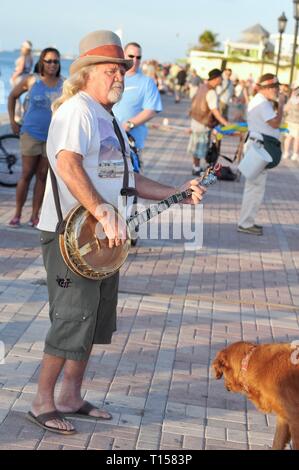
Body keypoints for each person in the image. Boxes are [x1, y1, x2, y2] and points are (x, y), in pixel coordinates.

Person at [27, 30, 206, 435]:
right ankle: (42, 401)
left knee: (93, 320)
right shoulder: (78, 111)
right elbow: (67, 164)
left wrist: (177, 191)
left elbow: (130, 178)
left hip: (104, 237)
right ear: (88, 73)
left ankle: (70, 396)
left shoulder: (107, 117)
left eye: (123, 71)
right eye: (112, 70)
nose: (121, 78)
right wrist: (103, 211)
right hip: (70, 237)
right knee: (72, 318)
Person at [8, 48, 63, 228]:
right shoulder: (32, 80)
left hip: (52, 137)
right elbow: (12, 96)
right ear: (41, 62)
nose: (52, 65)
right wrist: (13, 122)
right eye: (48, 61)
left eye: (55, 61)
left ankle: (34, 216)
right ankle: (17, 214)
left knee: (42, 176)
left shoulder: (64, 84)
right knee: (26, 174)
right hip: (31, 133)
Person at [238, 74, 285, 236]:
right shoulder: (263, 103)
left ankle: (246, 221)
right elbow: (275, 123)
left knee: (254, 187)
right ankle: (245, 223)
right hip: (259, 147)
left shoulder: (259, 101)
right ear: (266, 88)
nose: (277, 90)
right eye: (275, 87)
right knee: (255, 188)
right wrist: (281, 105)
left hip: (257, 146)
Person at [113, 41, 162, 167]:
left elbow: (151, 110)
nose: (134, 60)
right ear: (123, 55)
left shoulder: (147, 82)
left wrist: (130, 124)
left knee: (133, 183)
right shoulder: (114, 76)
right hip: (108, 141)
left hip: (131, 143)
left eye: (138, 57)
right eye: (131, 56)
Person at [187, 68, 229, 176]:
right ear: (216, 78)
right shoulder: (211, 92)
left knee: (196, 145)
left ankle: (196, 167)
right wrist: (225, 122)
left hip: (195, 120)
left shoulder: (202, 87)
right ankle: (197, 168)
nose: (221, 81)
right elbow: (214, 110)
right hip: (203, 122)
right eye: (221, 78)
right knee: (200, 146)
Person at [10, 40, 34, 121]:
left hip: (19, 78)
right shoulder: (31, 57)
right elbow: (30, 69)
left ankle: (17, 115)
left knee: (15, 96)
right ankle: (24, 113)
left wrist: (13, 77)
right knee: (26, 97)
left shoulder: (23, 57)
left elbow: (20, 69)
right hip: (26, 77)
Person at [283, 82, 299, 161]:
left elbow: (285, 109)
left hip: (288, 121)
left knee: (288, 138)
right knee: (297, 139)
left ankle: (286, 153)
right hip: (297, 122)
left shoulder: (291, 99)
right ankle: (295, 154)